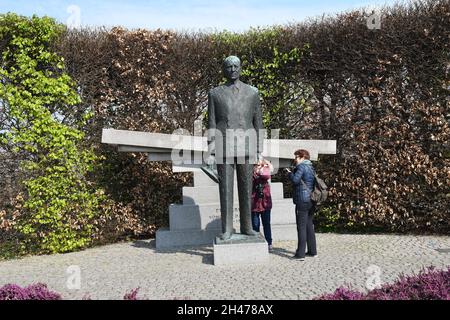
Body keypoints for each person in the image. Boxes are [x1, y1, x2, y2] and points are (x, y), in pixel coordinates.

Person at [206, 56, 264, 241]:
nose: (232, 69)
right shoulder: (215, 94)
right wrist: (212, 150)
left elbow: (258, 123)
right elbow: (212, 123)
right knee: (225, 190)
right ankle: (227, 229)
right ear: (224, 69)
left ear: (240, 68)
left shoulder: (252, 92)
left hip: (246, 147)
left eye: (235, 66)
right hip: (224, 147)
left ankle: (247, 227)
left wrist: (259, 149)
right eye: (228, 66)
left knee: (247, 190)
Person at [286, 149, 317, 261]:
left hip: (302, 200)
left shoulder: (302, 167)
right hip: (311, 199)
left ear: (301, 157)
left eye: (296, 157)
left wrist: (290, 173)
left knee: (301, 227)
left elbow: (295, 180)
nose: (295, 160)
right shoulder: (311, 167)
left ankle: (300, 254)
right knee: (309, 225)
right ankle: (313, 251)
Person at [251, 159, 273, 251]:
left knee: (266, 224)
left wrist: (265, 165)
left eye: (260, 165)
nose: (258, 167)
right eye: (256, 165)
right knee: (255, 225)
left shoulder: (265, 172)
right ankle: (257, 242)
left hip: (265, 204)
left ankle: (269, 243)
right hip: (254, 204)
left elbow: (266, 175)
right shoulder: (251, 174)